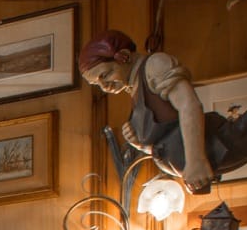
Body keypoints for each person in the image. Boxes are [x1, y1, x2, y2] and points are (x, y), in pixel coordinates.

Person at [77, 30, 218, 193]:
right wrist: (140, 144)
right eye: (97, 84)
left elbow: (189, 104)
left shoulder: (155, 65)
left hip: (216, 151)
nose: (104, 87)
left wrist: (196, 161)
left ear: (124, 56)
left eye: (105, 75)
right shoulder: (135, 89)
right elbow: (162, 144)